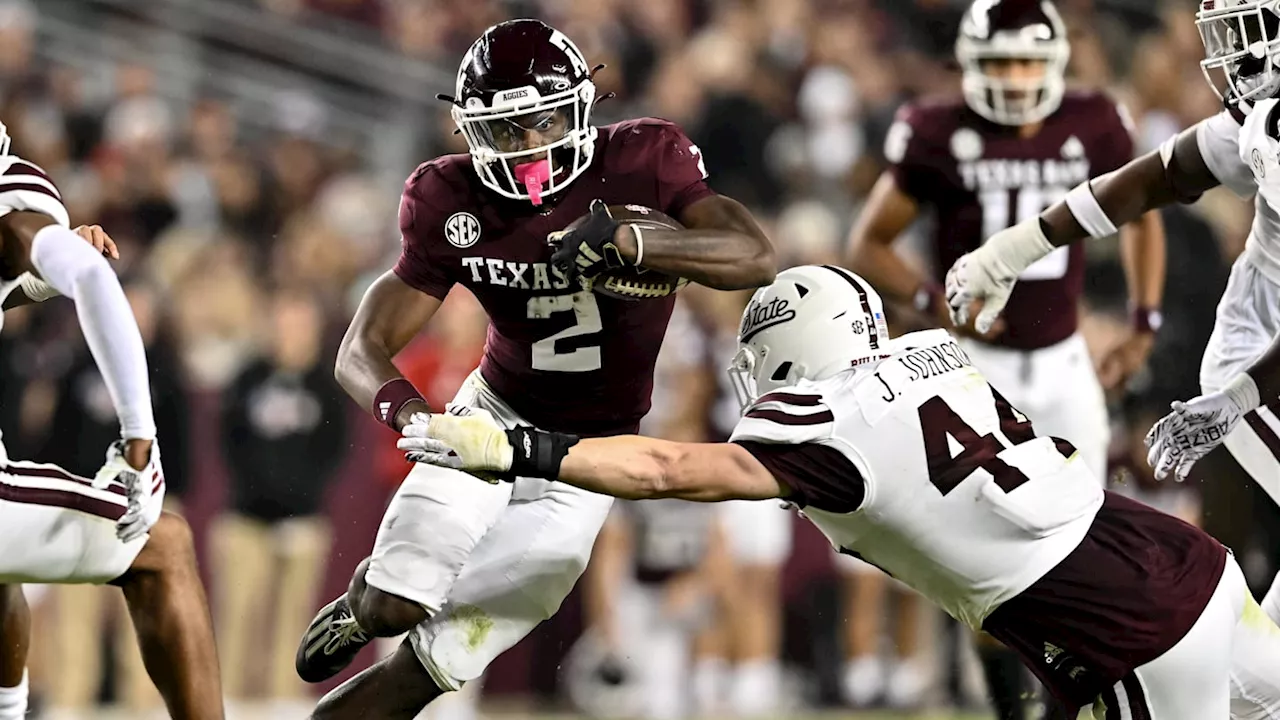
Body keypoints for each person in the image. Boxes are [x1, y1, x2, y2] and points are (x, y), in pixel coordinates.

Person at [405, 264, 1280, 719]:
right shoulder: (936, 353)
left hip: (1120, 621)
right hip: (1176, 556)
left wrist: (525, 447)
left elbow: (670, 469)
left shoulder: (818, 426)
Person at [293, 18, 775, 719]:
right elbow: (359, 348)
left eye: (541, 122)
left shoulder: (644, 160)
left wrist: (634, 238)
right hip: (494, 414)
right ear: (469, 131)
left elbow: (752, 255)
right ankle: (363, 608)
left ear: (579, 108)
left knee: (435, 665)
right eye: (505, 131)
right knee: (396, 604)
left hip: (591, 454)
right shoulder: (447, 198)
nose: (526, 148)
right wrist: (414, 415)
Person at [845, 1, 1165, 714]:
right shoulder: (935, 130)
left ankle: (1068, 702)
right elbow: (868, 241)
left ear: (1055, 62)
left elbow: (1143, 212)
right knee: (987, 557)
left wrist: (1144, 319)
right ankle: (1004, 706)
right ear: (969, 66)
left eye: (1027, 61)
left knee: (1083, 539)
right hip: (968, 367)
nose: (1017, 80)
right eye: (999, 64)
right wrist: (936, 301)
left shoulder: (1096, 122)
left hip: (1062, 360)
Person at [941, 0, 1280, 633]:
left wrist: (1239, 398)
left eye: (1259, 31)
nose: (1241, 50)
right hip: (1261, 340)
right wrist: (1018, 247)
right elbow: (1152, 179)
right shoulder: (1264, 121)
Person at [0, 126, 223, 720]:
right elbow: (94, 277)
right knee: (166, 543)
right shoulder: (13, 211)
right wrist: (138, 441)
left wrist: (36, 279)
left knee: (7, 566)